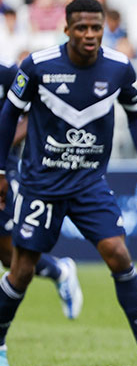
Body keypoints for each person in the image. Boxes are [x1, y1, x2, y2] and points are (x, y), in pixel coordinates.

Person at [0, 0, 137, 366]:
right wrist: (1, 170)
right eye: (81, 28)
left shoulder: (118, 68)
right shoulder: (38, 66)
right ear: (66, 29)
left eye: (95, 28)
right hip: (41, 184)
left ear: (103, 28)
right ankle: (0, 349)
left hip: (88, 183)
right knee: (21, 270)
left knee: (119, 254)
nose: (89, 35)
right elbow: (9, 114)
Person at [0, 63, 83, 320]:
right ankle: (59, 271)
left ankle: (60, 271)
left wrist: (5, 141)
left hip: (4, 169)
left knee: (9, 253)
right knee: (6, 256)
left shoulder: (8, 75)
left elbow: (33, 113)